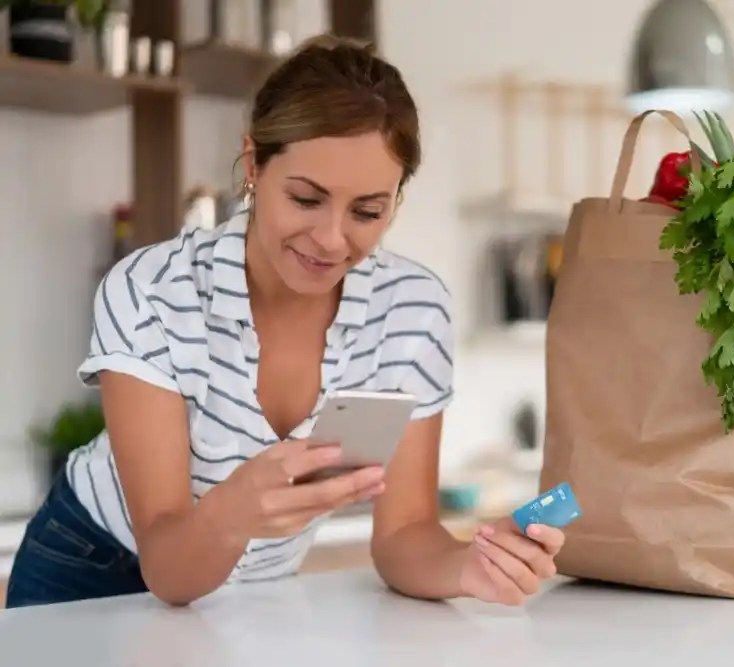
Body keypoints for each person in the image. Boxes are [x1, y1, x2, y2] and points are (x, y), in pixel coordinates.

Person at [5, 36, 564, 609]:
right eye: (305, 199)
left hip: (248, 594)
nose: (330, 239)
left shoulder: (412, 308)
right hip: (90, 567)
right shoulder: (151, 289)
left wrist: (467, 566)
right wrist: (231, 511)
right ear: (253, 166)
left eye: (367, 211)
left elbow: (404, 535)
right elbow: (168, 567)